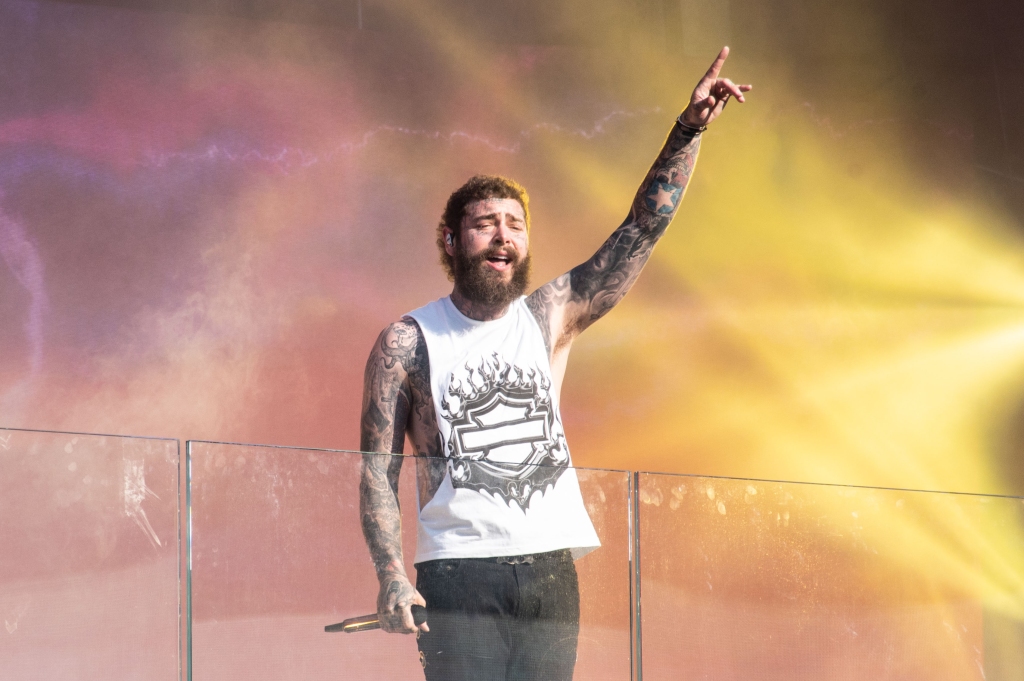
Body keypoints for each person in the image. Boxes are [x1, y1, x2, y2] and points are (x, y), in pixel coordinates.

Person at [359, 46, 751, 681]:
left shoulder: (548, 315)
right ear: (453, 241)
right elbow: (378, 472)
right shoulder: (407, 341)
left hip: (549, 569)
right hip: (458, 571)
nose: (504, 235)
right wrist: (392, 576)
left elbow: (639, 232)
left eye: (515, 224)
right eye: (485, 223)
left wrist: (690, 129)